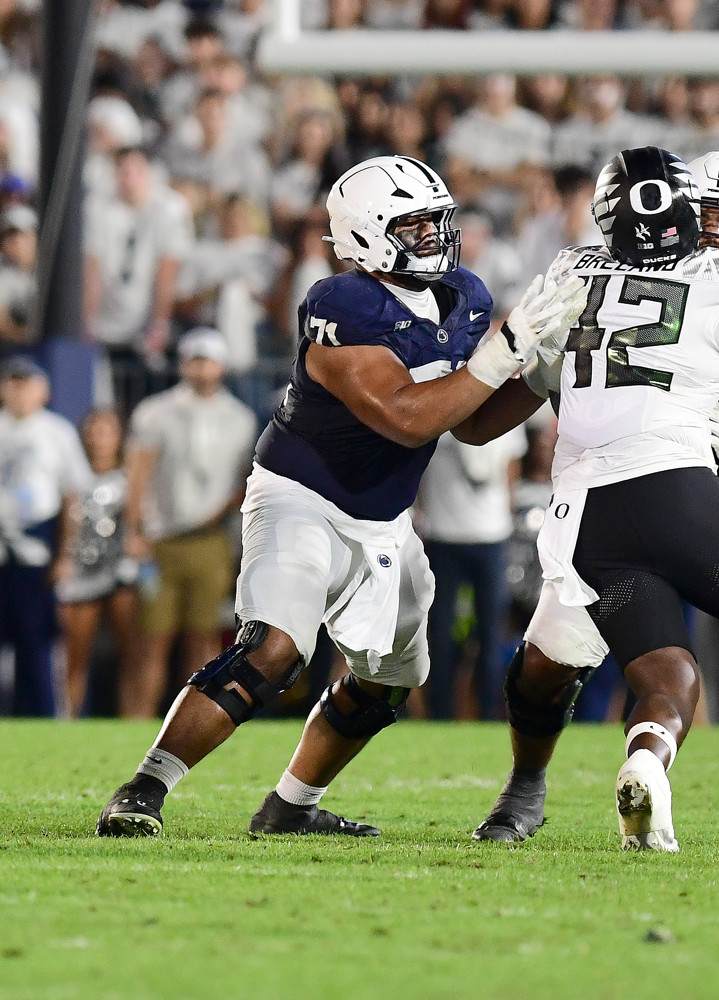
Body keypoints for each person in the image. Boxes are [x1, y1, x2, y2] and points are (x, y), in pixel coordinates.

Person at [96, 153, 586, 838]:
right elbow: (405, 414)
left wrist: (538, 372)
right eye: (414, 226)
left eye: (437, 222)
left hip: (386, 523)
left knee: (387, 680)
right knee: (272, 648)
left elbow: (468, 423)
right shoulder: (341, 303)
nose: (434, 238)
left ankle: (290, 807)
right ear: (365, 234)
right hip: (302, 498)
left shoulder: (464, 295)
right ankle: (144, 787)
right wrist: (503, 349)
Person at [474, 145, 719, 853]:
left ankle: (632, 767)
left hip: (590, 524)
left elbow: (483, 418)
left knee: (646, 673)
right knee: (551, 665)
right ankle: (527, 792)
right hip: (680, 500)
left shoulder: (568, 272)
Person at [120, 327, 257, 718]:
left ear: (222, 366)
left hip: (211, 541)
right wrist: (135, 530)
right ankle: (137, 720)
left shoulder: (240, 418)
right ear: (184, 364)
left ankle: (195, 725)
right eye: (195, 360)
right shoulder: (157, 411)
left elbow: (243, 479)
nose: (202, 368)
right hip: (161, 540)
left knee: (204, 643)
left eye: (208, 360)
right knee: (151, 641)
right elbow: (138, 473)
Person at [0, 356, 92, 716]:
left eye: (27, 383)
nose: (19, 391)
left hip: (37, 539)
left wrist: (65, 553)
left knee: (36, 636)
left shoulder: (57, 431)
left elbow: (72, 496)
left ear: (43, 390)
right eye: (13, 382)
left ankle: (38, 713)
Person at [55, 408, 139, 718]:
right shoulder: (73, 478)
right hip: (81, 569)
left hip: (121, 569)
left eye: (107, 430)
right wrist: (62, 560)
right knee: (75, 653)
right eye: (93, 430)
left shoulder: (130, 476)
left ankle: (134, 719)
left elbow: (139, 521)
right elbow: (67, 522)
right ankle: (69, 716)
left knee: (131, 650)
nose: (99, 438)